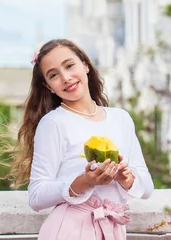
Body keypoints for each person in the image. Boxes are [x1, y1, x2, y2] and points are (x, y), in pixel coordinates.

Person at [8, 38, 154, 240]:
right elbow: (36, 195)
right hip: (69, 231)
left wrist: (126, 178)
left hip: (113, 230)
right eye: (54, 75)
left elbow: (147, 187)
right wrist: (84, 181)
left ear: (85, 65)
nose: (66, 77)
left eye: (69, 66)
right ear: (48, 86)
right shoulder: (53, 123)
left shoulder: (121, 118)